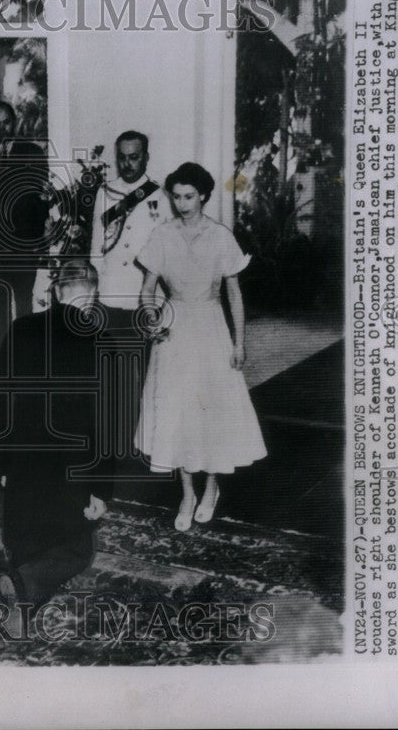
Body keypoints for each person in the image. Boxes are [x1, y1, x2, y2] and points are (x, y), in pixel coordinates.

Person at [0, 259, 119, 635]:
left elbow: (1, 402)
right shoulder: (101, 342)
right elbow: (106, 425)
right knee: (80, 551)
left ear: (57, 291)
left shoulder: (20, 329)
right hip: (71, 477)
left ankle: (23, 592)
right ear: (92, 297)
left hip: (22, 474)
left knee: (25, 541)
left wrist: (1, 467)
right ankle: (23, 585)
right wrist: (100, 489)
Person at [134, 162, 267, 529]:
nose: (181, 203)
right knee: (177, 410)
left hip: (211, 328)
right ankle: (187, 493)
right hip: (175, 328)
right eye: (176, 196)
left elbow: (234, 296)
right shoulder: (162, 235)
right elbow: (147, 291)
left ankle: (211, 488)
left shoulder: (221, 236)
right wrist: (153, 321)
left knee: (211, 410)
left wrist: (240, 343)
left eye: (189, 196)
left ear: (204, 195)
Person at [88, 129, 166, 455]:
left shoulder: (161, 197)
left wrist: (159, 303)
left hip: (142, 299)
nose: (127, 163)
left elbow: (165, 253)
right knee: (110, 376)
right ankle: (114, 443)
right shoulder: (106, 193)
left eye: (134, 157)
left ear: (146, 157)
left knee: (144, 376)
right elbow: (96, 247)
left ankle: (142, 442)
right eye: (122, 157)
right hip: (109, 296)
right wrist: (93, 295)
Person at [0, 101, 49, 360]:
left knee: (25, 305)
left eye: (6, 122)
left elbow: (39, 201)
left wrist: (33, 238)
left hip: (25, 245)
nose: (2, 129)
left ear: (14, 122)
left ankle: (26, 362)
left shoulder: (33, 153)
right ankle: (0, 361)